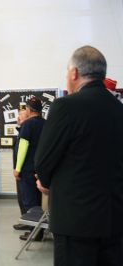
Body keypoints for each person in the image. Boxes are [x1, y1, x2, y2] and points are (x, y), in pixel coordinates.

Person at [34, 46, 123, 266]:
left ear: (74, 73)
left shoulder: (65, 107)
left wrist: (44, 181)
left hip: (76, 221)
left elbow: (44, 160)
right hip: (115, 218)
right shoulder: (118, 109)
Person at [13, 96, 45, 241]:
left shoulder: (28, 125)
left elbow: (23, 147)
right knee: (38, 202)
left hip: (27, 169)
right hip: (41, 169)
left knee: (29, 202)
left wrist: (17, 168)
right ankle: (40, 230)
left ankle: (35, 233)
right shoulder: (46, 123)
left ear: (29, 109)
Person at [12, 109, 30, 231]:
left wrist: (18, 169)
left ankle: (29, 222)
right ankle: (25, 219)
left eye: (21, 116)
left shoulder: (27, 129)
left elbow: (23, 150)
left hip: (24, 169)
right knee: (21, 197)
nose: (18, 118)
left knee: (26, 198)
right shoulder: (22, 129)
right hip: (20, 169)